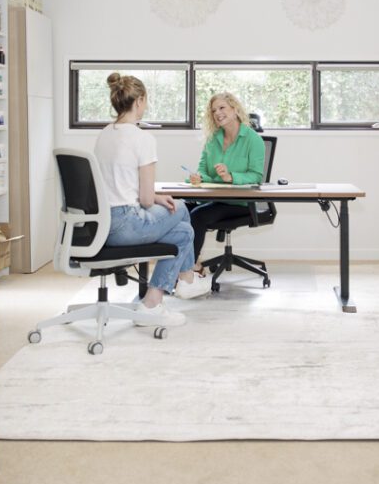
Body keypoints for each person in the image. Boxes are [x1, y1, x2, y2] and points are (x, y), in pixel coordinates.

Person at [94, 73, 210, 324]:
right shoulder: (142, 138)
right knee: (180, 207)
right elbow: (146, 200)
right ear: (139, 101)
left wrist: (156, 197)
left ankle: (153, 302)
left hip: (102, 224)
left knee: (182, 233)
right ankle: (187, 278)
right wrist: (156, 198)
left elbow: (124, 187)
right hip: (126, 224)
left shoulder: (105, 134)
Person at [187, 92, 266, 275]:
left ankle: (189, 271)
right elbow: (202, 171)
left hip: (240, 203)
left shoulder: (253, 139)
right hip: (213, 199)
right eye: (214, 110)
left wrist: (231, 176)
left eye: (222, 108)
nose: (217, 113)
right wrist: (197, 177)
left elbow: (255, 176)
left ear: (235, 109)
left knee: (198, 216)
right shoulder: (212, 139)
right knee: (180, 210)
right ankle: (193, 264)